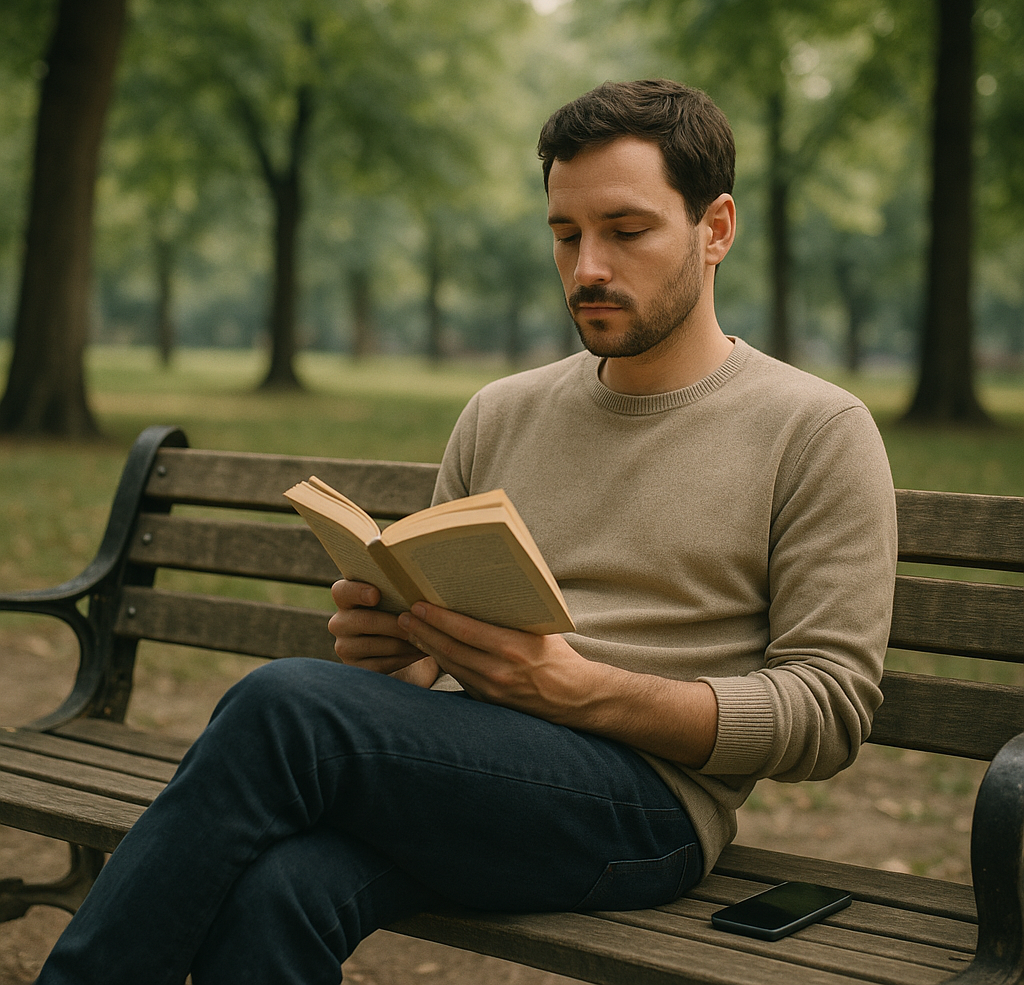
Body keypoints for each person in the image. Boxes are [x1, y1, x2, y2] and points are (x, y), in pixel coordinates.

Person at [36, 79, 897, 985]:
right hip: (479, 774)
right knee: (281, 889)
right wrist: (399, 649)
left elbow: (830, 709)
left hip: (649, 814)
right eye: (566, 235)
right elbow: (426, 670)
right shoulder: (502, 412)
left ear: (715, 227)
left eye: (626, 230)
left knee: (284, 708)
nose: (588, 267)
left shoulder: (814, 429)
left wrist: (579, 690)